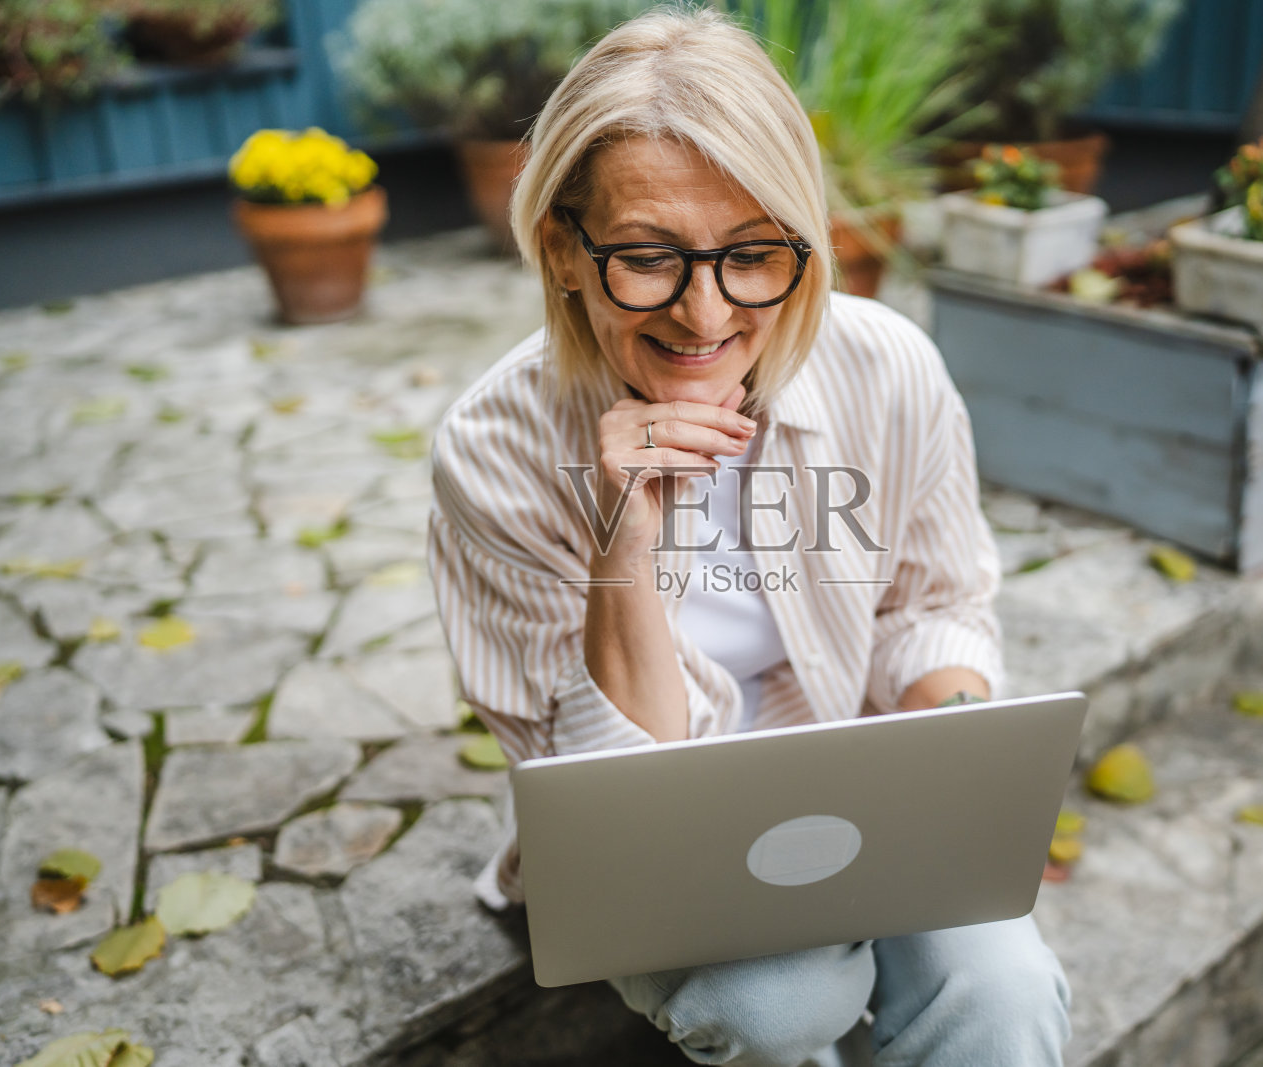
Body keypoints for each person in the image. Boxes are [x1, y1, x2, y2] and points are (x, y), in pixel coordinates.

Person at [427, 7, 1071, 1065]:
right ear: (562, 248)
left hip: (866, 788)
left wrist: (956, 760)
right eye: (646, 258)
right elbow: (604, 804)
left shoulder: (885, 366)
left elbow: (935, 602)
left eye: (753, 253)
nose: (704, 313)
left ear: (802, 243)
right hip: (658, 845)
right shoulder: (494, 448)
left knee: (1002, 993)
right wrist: (618, 544)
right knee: (773, 1005)